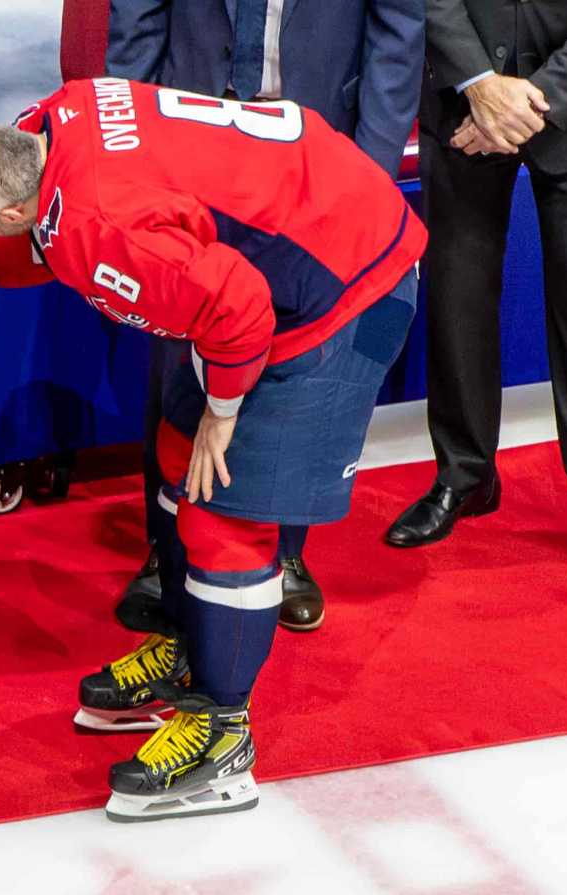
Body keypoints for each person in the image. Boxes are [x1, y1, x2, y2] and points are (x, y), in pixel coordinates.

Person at [0, 77, 424, 820]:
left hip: (339, 287)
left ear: (6, 208)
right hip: (300, 225)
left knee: (227, 515)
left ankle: (224, 736)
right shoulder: (55, 116)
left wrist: (225, 410)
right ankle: (192, 644)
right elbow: (52, 234)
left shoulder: (102, 227)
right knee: (171, 455)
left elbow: (238, 308)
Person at [106, 0, 424, 632]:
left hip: (319, 150)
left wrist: (370, 171)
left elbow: (399, 31)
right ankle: (166, 552)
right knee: (182, 346)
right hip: (186, 140)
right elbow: (137, 20)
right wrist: (124, 147)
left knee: (307, 350)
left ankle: (285, 553)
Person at [385, 2, 567, 547]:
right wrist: (480, 84)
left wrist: (539, 101)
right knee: (457, 299)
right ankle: (464, 476)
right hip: (460, 105)